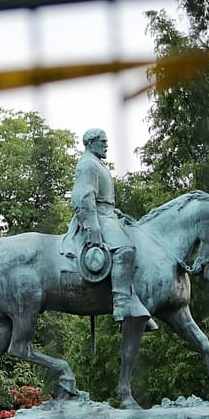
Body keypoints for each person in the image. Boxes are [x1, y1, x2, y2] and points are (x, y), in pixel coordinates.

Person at [70, 127, 155, 329]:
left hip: (108, 215)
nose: (107, 145)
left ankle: (136, 302)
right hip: (97, 217)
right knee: (125, 250)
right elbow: (83, 197)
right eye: (103, 142)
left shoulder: (97, 164)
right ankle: (121, 305)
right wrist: (92, 227)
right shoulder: (88, 165)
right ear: (91, 143)